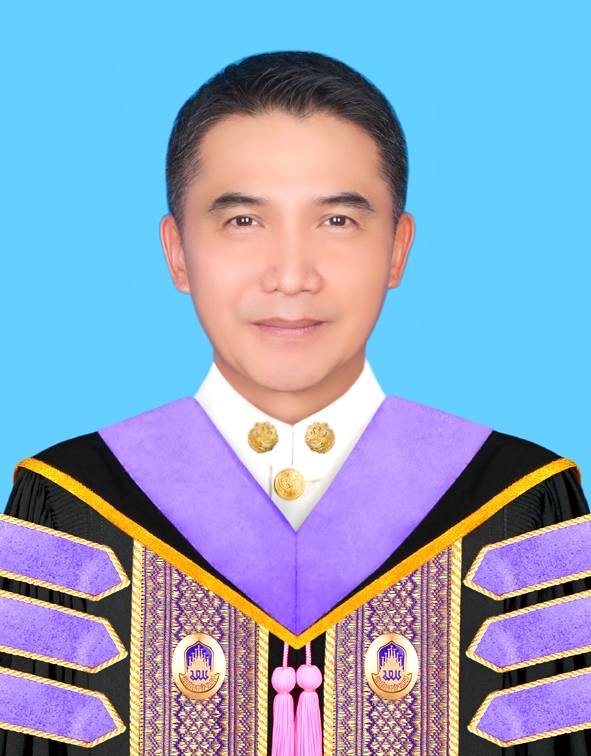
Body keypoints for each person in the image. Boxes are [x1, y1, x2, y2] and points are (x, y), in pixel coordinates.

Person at [1, 50, 590, 756]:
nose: (290, 275)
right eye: (243, 221)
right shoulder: (68, 510)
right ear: (177, 252)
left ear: (397, 250)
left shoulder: (522, 507)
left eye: (336, 221)